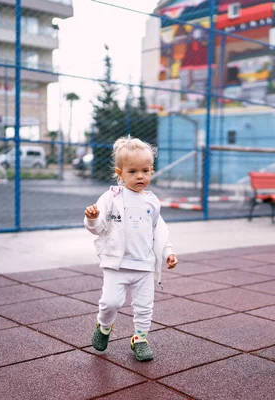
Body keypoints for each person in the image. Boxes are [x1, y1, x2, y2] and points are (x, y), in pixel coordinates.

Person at [84, 136, 178, 362]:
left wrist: (168, 252)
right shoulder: (111, 198)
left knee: (145, 307)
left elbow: (159, 230)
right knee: (111, 303)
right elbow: (98, 229)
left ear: (151, 170)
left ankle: (140, 338)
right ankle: (104, 326)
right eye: (133, 171)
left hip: (144, 265)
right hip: (117, 264)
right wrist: (93, 219)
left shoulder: (152, 202)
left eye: (145, 171)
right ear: (120, 173)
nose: (140, 176)